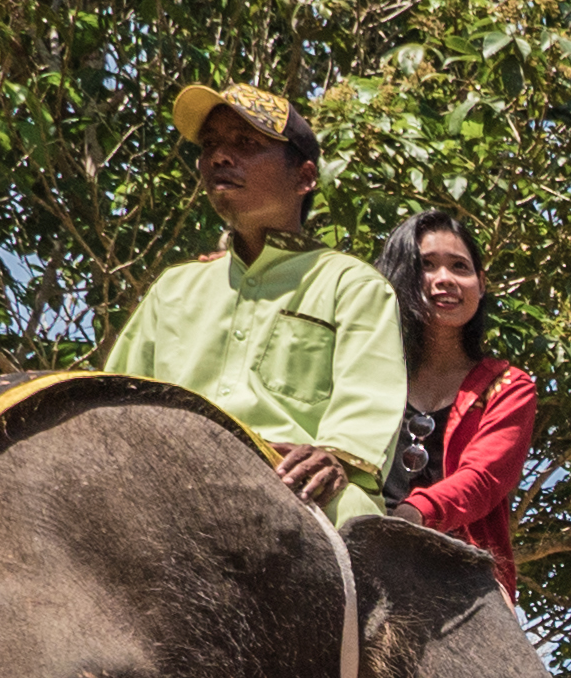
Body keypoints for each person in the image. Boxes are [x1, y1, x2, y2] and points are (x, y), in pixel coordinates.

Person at [98, 80, 405, 523]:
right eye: (210, 145)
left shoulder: (352, 284)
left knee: (360, 522)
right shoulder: (174, 288)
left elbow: (368, 396)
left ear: (304, 177)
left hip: (302, 489)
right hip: (170, 481)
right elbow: (117, 400)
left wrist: (338, 455)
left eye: (246, 143)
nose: (220, 156)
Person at [373, 205, 539, 588]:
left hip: (460, 572)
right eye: (427, 265)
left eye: (460, 268)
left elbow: (482, 479)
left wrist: (413, 514)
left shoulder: (508, 385)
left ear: (481, 284)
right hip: (354, 536)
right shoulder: (366, 369)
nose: (444, 279)